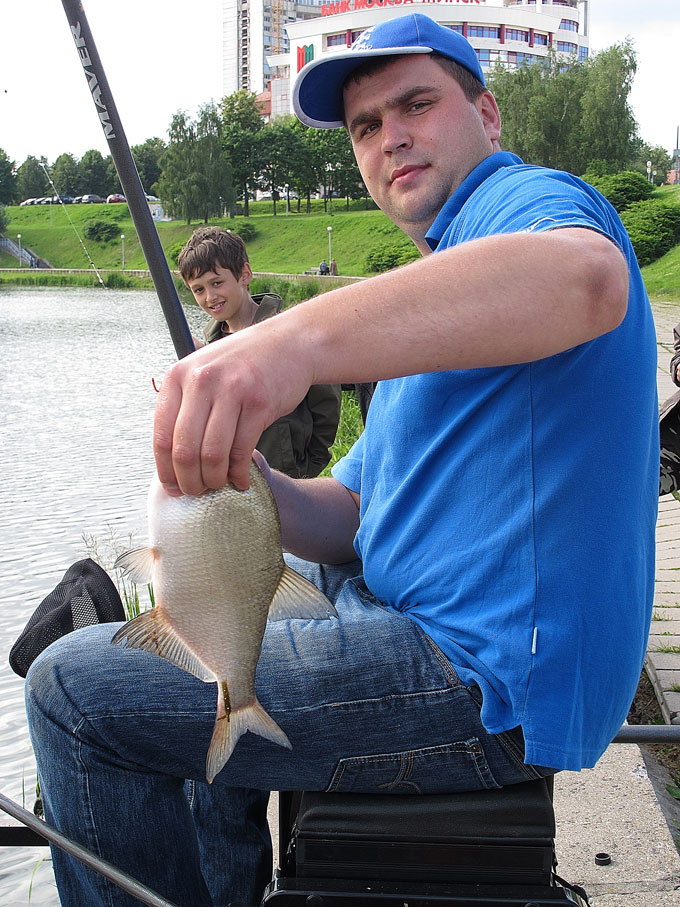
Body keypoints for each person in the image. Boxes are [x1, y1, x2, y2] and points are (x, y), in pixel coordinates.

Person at [25, 14, 658, 907]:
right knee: (211, 627)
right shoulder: (436, 304)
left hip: (481, 678)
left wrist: (287, 344)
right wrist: (247, 484)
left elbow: (586, 280)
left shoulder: (525, 204)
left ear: (487, 114)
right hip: (405, 617)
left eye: (416, 105)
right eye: (365, 125)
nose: (390, 135)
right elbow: (352, 517)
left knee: (70, 692)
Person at [178, 226, 341, 479]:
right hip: (234, 480)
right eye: (198, 289)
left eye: (217, 283)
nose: (210, 297)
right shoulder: (209, 346)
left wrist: (306, 465)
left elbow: (326, 402)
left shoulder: (287, 333)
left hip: (287, 476)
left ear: (244, 274)